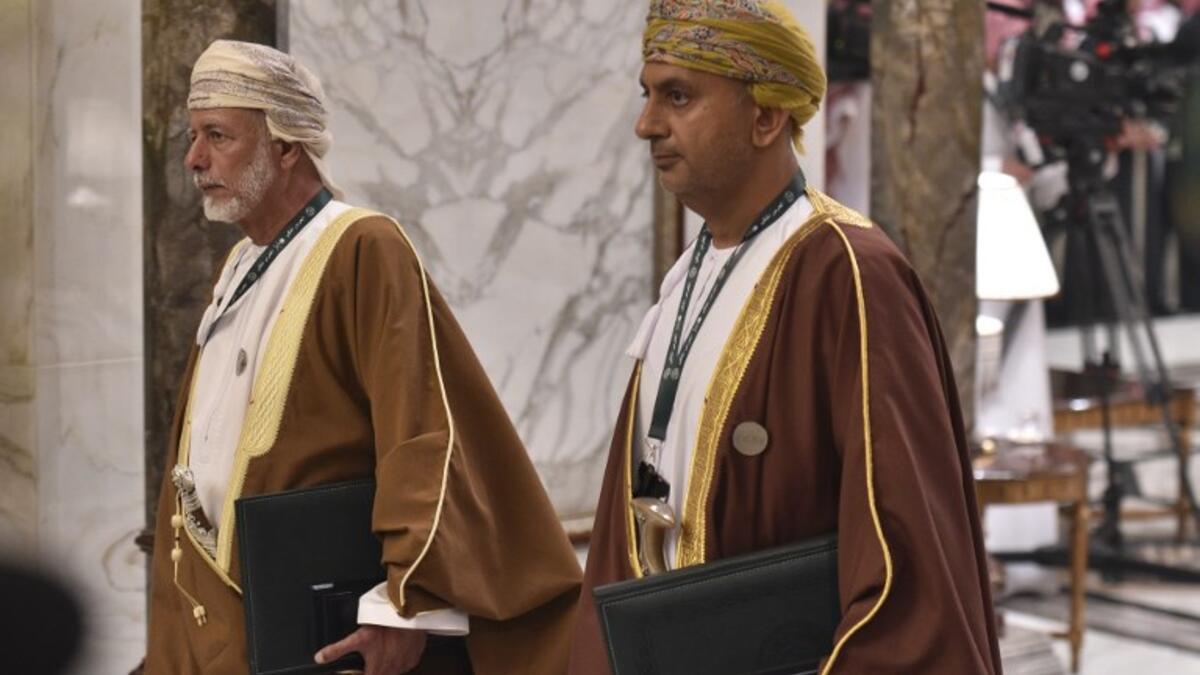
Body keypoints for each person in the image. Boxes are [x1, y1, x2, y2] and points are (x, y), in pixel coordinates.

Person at [568, 2, 1002, 673]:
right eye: (648, 96)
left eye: (678, 96)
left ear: (766, 118)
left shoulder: (850, 271)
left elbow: (905, 557)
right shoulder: (690, 273)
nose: (646, 124)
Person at [143, 40, 580, 674]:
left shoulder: (361, 246)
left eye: (217, 136)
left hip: (319, 629)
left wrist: (404, 606)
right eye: (193, 136)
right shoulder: (240, 264)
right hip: (221, 615)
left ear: (286, 146)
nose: (193, 158)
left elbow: (422, 433)